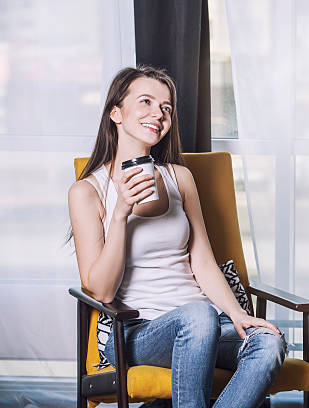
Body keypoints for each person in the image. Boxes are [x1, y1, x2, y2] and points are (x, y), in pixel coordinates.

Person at [68, 66, 285, 408]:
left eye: (166, 108)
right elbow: (102, 289)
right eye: (146, 102)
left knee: (268, 342)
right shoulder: (87, 191)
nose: (158, 114)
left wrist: (238, 315)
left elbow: (203, 262)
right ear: (115, 112)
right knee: (198, 314)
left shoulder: (179, 178)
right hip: (138, 334)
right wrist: (121, 213)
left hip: (207, 324)